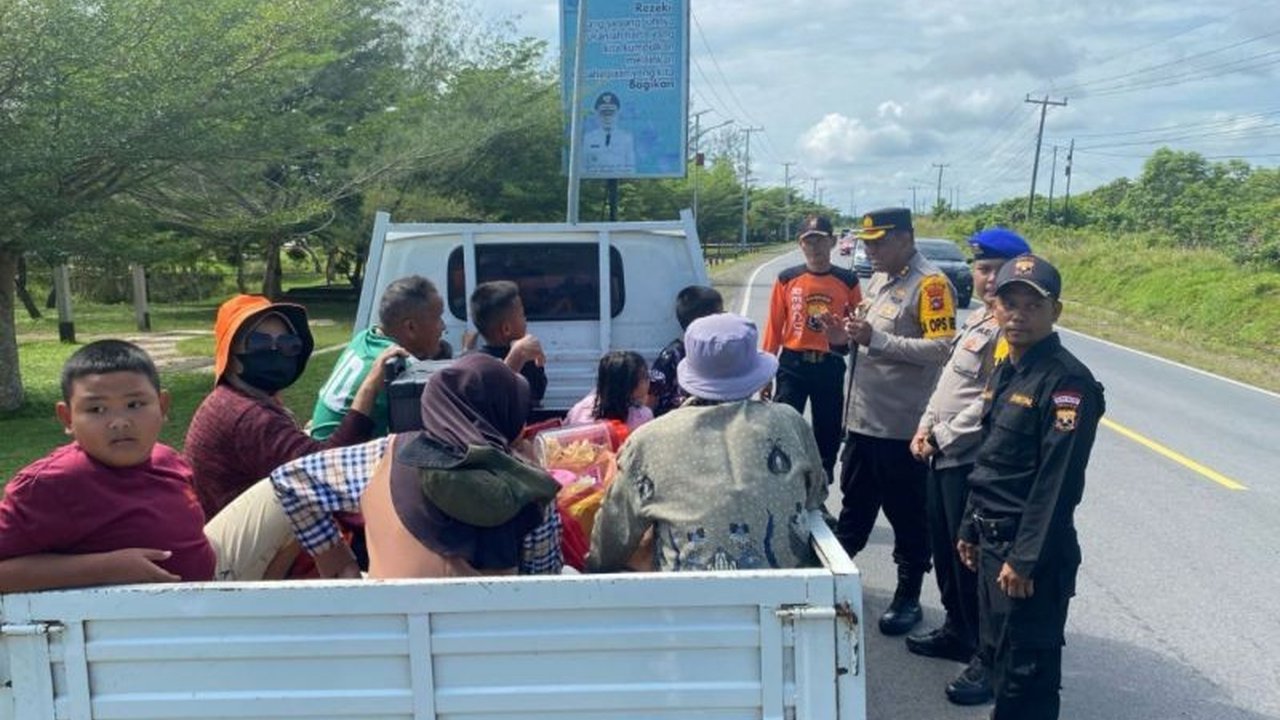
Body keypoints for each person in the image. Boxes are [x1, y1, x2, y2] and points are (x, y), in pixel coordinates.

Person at [956, 255, 1104, 720]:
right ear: (994, 307)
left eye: (1033, 305)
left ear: (1055, 311)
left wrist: (1025, 559)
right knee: (999, 658)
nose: (1018, 315)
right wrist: (969, 527)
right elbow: (990, 460)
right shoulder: (1008, 369)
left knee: (1027, 676)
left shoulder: (1067, 383)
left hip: (1027, 555)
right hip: (992, 543)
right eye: (1010, 303)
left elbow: (1057, 483)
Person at [271, 353, 563, 579]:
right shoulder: (533, 490)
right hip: (487, 635)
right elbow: (544, 581)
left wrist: (339, 563)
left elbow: (289, 480)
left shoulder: (384, 454)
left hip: (389, 625)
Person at [588, 313, 828, 573]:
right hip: (788, 588)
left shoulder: (649, 439)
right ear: (754, 372)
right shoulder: (790, 422)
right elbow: (816, 494)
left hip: (685, 592)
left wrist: (594, 565)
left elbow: (613, 537)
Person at [906, 228, 1031, 705]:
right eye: (981, 269)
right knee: (944, 550)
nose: (987, 279)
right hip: (942, 453)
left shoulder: (1008, 331)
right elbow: (948, 385)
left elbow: (990, 402)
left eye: (996, 270)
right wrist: (925, 425)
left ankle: (985, 654)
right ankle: (957, 630)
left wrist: (941, 436)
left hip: (968, 460)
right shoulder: (978, 319)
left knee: (972, 562)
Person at [0, 340, 215, 591]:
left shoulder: (167, 459)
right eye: (97, 409)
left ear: (162, 406)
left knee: (262, 497)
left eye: (134, 405)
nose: (119, 422)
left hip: (215, 587)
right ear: (67, 418)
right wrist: (105, 568)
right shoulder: (55, 483)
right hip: (147, 613)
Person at [837, 207, 956, 636]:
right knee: (854, 505)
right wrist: (846, 334)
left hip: (900, 426)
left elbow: (942, 349)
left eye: (879, 242)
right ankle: (830, 582)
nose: (870, 250)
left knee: (907, 516)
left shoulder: (931, 285)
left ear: (906, 238)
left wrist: (878, 339)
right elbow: (866, 338)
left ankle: (908, 595)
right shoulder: (880, 278)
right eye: (866, 242)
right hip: (863, 420)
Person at [185, 294, 402, 518]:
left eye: (288, 343)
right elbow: (330, 471)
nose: (275, 351)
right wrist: (369, 388)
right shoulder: (248, 416)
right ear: (230, 355)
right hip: (223, 536)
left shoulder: (233, 398)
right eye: (259, 343)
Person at [760, 214, 862, 482]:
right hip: (793, 364)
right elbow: (774, 327)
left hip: (829, 364)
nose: (815, 247)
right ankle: (785, 484)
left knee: (828, 432)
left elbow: (858, 326)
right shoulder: (787, 279)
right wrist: (765, 373)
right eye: (809, 241)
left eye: (821, 240)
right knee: (784, 426)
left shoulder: (848, 281)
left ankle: (822, 485)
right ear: (800, 244)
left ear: (833, 241)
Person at [309, 275, 447, 440]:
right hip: (341, 451)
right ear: (410, 327)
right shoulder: (401, 367)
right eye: (438, 318)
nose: (443, 327)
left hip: (320, 445)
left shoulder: (364, 338)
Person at [469, 280, 547, 408]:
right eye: (522, 315)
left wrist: (538, 364)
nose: (525, 320)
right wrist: (517, 357)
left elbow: (539, 392)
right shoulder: (479, 366)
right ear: (506, 329)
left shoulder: (475, 360)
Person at [649, 285, 723, 416]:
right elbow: (652, 400)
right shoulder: (672, 356)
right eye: (720, 315)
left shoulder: (719, 352)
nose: (723, 320)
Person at [565, 350, 654, 431]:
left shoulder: (580, 409)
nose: (649, 380)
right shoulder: (642, 417)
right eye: (645, 376)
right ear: (628, 384)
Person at [582, 91, 636, 177]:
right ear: (596, 113)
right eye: (603, 113)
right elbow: (583, 167)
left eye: (611, 113)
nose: (607, 117)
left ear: (618, 113)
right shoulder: (588, 138)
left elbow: (631, 168)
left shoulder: (626, 138)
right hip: (594, 182)